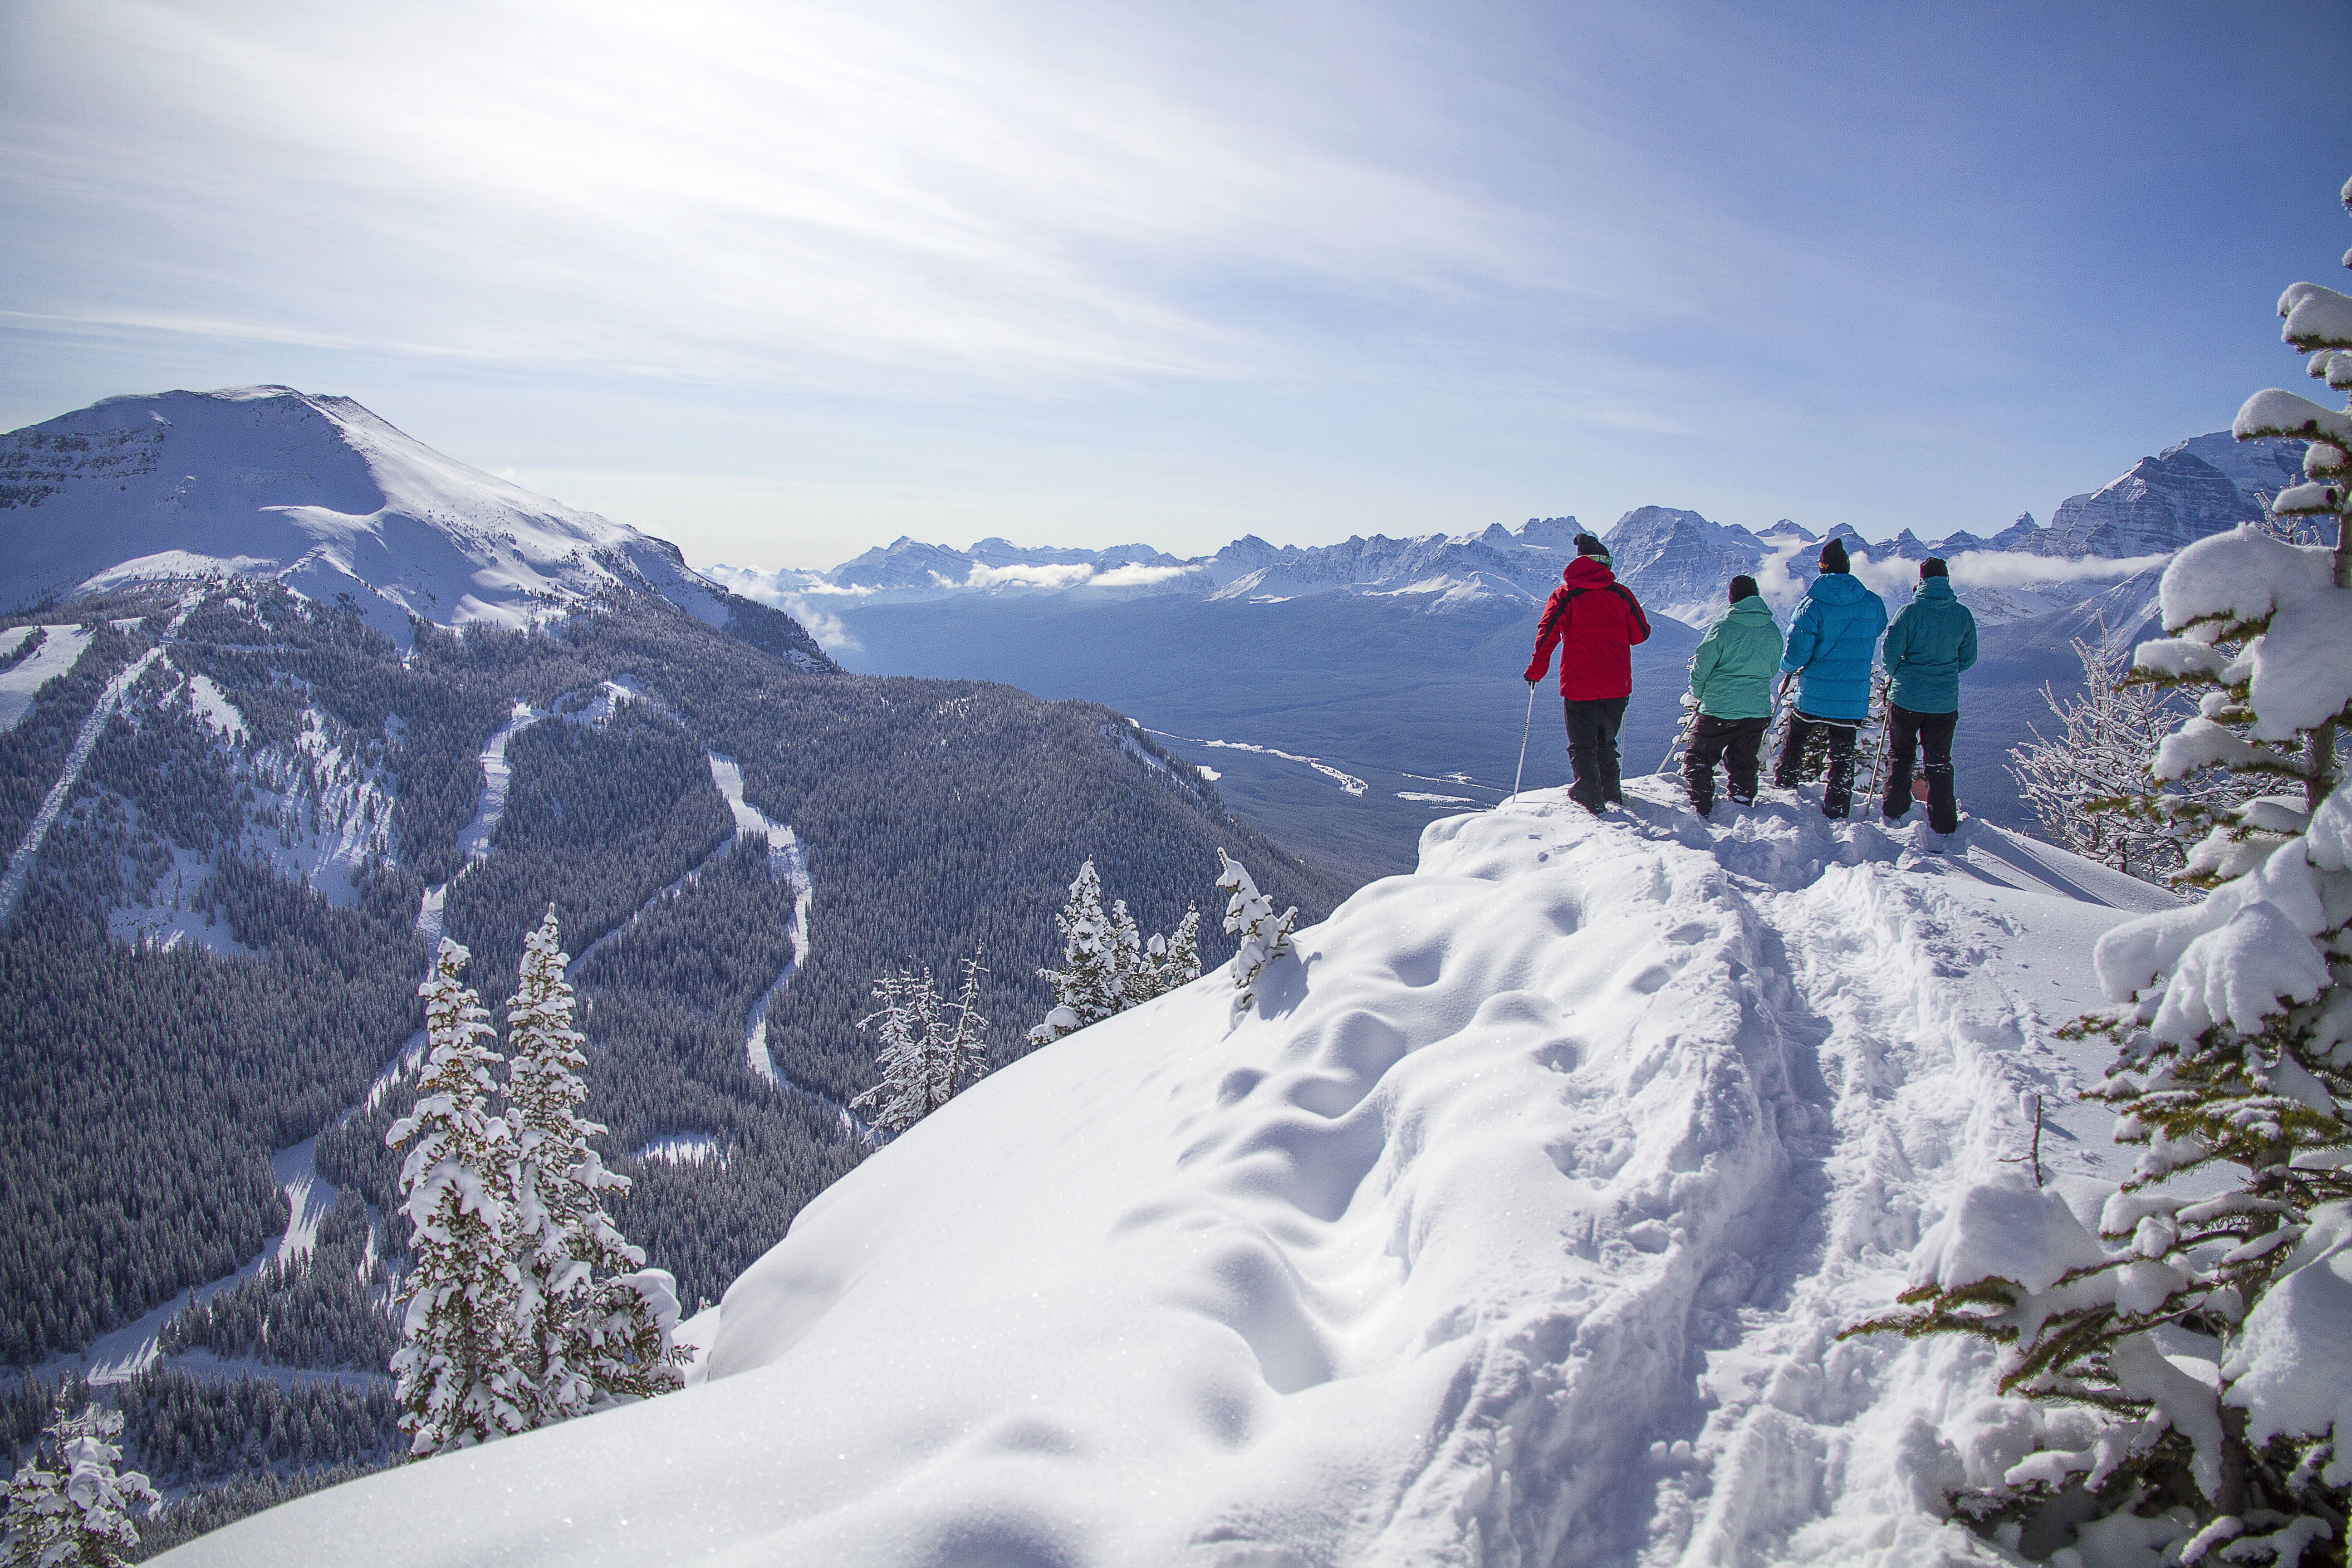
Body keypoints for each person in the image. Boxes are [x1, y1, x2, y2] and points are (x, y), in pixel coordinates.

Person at [1524, 533, 1651, 812]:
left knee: (1582, 744)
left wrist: (1536, 670)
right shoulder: (1621, 594)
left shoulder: (1565, 595)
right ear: (1604, 563)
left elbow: (1548, 635)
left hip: (1579, 683)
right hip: (1617, 683)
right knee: (1607, 740)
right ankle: (1611, 793)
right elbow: (1641, 634)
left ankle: (1589, 794)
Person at [1771, 536, 1888, 818]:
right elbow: (1878, 627)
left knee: (1797, 736)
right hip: (1852, 694)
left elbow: (1798, 649)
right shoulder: (1871, 602)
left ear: (1822, 568)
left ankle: (1786, 785)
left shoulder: (1813, 603)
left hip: (1815, 691)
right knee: (1843, 750)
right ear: (1848, 567)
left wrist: (1787, 667)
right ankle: (1837, 805)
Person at [1878, 556, 1977, 834]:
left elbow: (1889, 655)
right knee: (1939, 760)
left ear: (1921, 581)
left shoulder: (1909, 613)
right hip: (1944, 702)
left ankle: (1894, 810)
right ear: (1946, 580)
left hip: (1907, 697)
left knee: (1901, 754)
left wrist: (1903, 673)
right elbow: (1969, 659)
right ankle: (1944, 822)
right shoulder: (1962, 615)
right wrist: (1946, 670)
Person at [1681, 574, 1784, 817]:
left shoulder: (1722, 628)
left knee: (1699, 757)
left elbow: (1703, 664)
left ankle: (1700, 806)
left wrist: (1698, 692)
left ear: (1732, 599)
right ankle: (1742, 807)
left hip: (1719, 707)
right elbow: (1772, 669)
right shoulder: (1772, 629)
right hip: (1756, 709)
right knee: (1744, 761)